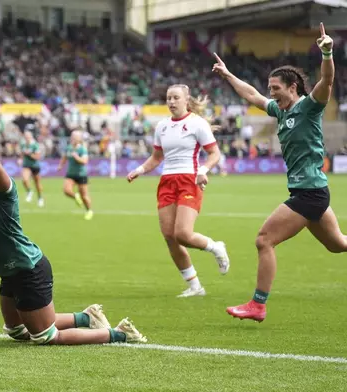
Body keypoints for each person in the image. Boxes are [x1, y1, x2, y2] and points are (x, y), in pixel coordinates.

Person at [0, 92, 147, 346]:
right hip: (8, 273)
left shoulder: (1, 192)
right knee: (17, 332)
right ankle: (87, 317)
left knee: (45, 336)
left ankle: (119, 334)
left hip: (28, 269)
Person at [213, 24, 347, 322]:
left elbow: (327, 79)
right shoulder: (281, 111)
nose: (271, 94)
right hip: (311, 191)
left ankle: (258, 305)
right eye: (270, 89)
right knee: (338, 245)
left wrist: (326, 52)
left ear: (292, 88)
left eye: (276, 88)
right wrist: (228, 75)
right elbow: (252, 95)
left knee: (264, 240)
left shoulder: (310, 107)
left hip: (310, 193)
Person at [126, 84, 230, 298]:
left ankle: (215, 246)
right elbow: (156, 157)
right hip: (167, 182)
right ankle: (195, 286)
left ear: (186, 100)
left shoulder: (197, 123)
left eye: (175, 98)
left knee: (182, 234)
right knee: (169, 236)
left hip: (189, 181)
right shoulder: (162, 126)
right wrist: (139, 170)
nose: (171, 102)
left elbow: (214, 154)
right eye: (168, 98)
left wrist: (203, 170)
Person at [57, 130, 94, 220]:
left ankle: (89, 210)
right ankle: (75, 196)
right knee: (66, 190)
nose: (72, 138)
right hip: (70, 174)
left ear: (79, 139)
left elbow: (85, 161)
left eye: (74, 137)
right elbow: (64, 157)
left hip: (81, 174)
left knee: (84, 196)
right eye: (72, 136)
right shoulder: (69, 148)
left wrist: (76, 157)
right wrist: (61, 165)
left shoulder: (82, 149)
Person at [19, 129, 44, 207]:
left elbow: (38, 157)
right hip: (26, 165)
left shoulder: (35, 145)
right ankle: (29, 191)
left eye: (27, 137)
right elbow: (22, 154)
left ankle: (40, 198)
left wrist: (29, 154)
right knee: (24, 179)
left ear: (31, 137)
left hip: (35, 166)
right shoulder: (23, 144)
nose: (26, 138)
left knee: (37, 184)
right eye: (25, 137)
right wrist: (20, 159)